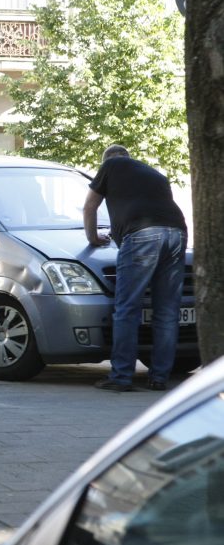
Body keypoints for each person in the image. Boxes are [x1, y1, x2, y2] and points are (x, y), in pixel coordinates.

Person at [83, 144, 187, 392]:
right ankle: (160, 377)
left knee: (127, 307)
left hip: (142, 235)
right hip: (177, 232)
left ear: (106, 161)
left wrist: (93, 238)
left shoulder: (110, 164)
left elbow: (90, 206)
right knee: (167, 310)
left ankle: (121, 377)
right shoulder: (155, 175)